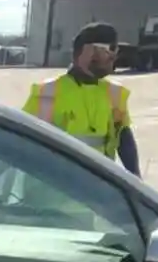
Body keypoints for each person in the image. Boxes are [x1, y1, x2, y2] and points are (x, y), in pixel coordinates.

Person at [25, 22, 140, 175]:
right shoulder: (47, 93)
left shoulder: (114, 94)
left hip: (94, 188)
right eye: (110, 49)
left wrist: (136, 180)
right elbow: (19, 140)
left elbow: (125, 141)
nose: (114, 56)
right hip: (53, 190)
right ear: (88, 51)